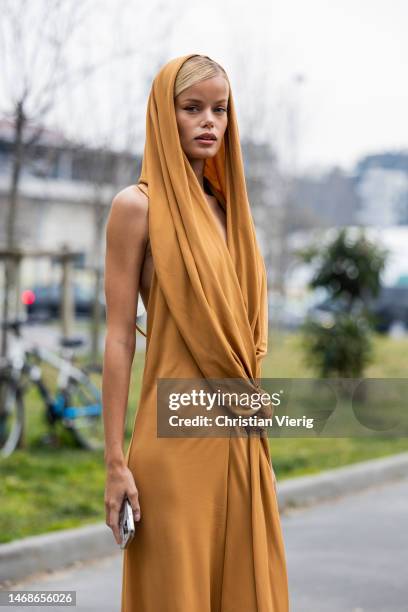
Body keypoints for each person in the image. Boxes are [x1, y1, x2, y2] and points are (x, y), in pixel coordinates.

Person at [102, 53, 290, 611]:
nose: (210, 121)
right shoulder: (135, 208)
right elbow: (117, 338)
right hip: (173, 447)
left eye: (220, 109)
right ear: (165, 114)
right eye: (192, 108)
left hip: (240, 440)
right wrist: (115, 462)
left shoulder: (233, 213)